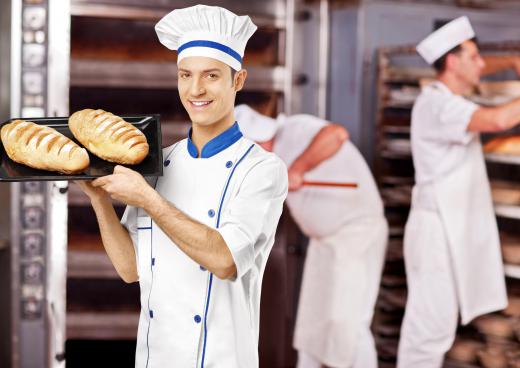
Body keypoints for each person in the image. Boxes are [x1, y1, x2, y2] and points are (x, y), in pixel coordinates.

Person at [75, 5, 288, 368]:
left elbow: (224, 261)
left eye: (211, 76)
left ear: (238, 80)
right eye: (185, 74)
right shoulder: (162, 162)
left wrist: (149, 199)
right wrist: (98, 200)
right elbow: (130, 268)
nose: (195, 89)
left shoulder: (262, 170)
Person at [397, 16, 520, 367]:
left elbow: (476, 69)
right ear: (453, 61)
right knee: (428, 332)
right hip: (436, 233)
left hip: (446, 228)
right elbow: (497, 121)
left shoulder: (442, 97)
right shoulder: (438, 104)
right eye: (476, 57)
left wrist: (511, 62)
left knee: (436, 327)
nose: (484, 65)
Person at [235, 105, 388, 368]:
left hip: (356, 234)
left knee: (349, 323)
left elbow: (336, 134)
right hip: (325, 242)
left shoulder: (294, 129)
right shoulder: (266, 166)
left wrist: (298, 168)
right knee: (312, 326)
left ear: (259, 136)